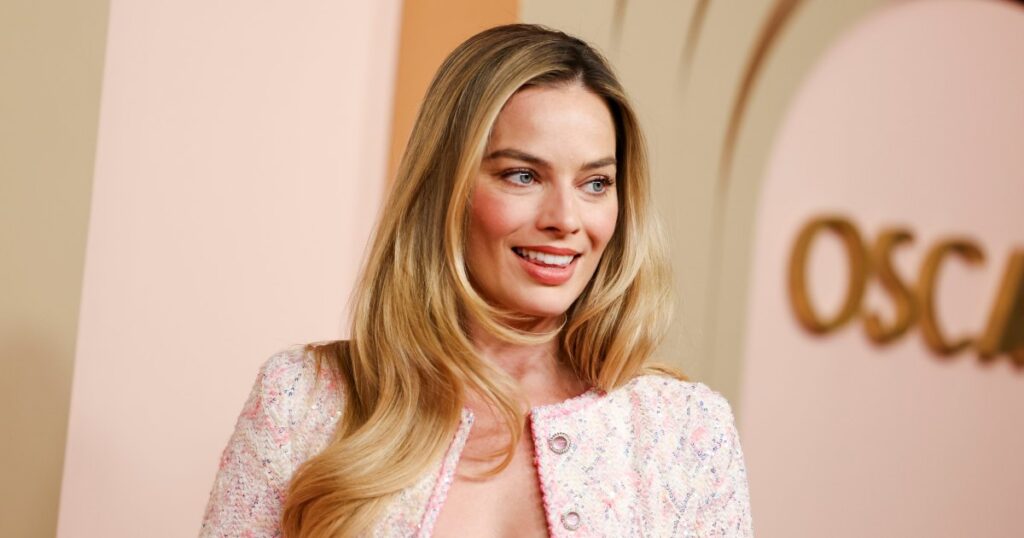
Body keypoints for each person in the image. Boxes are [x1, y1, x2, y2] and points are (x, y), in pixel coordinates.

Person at [200, 24, 752, 537]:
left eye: (595, 183)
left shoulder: (685, 431)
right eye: (523, 175)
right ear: (447, 188)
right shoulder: (301, 401)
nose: (565, 219)